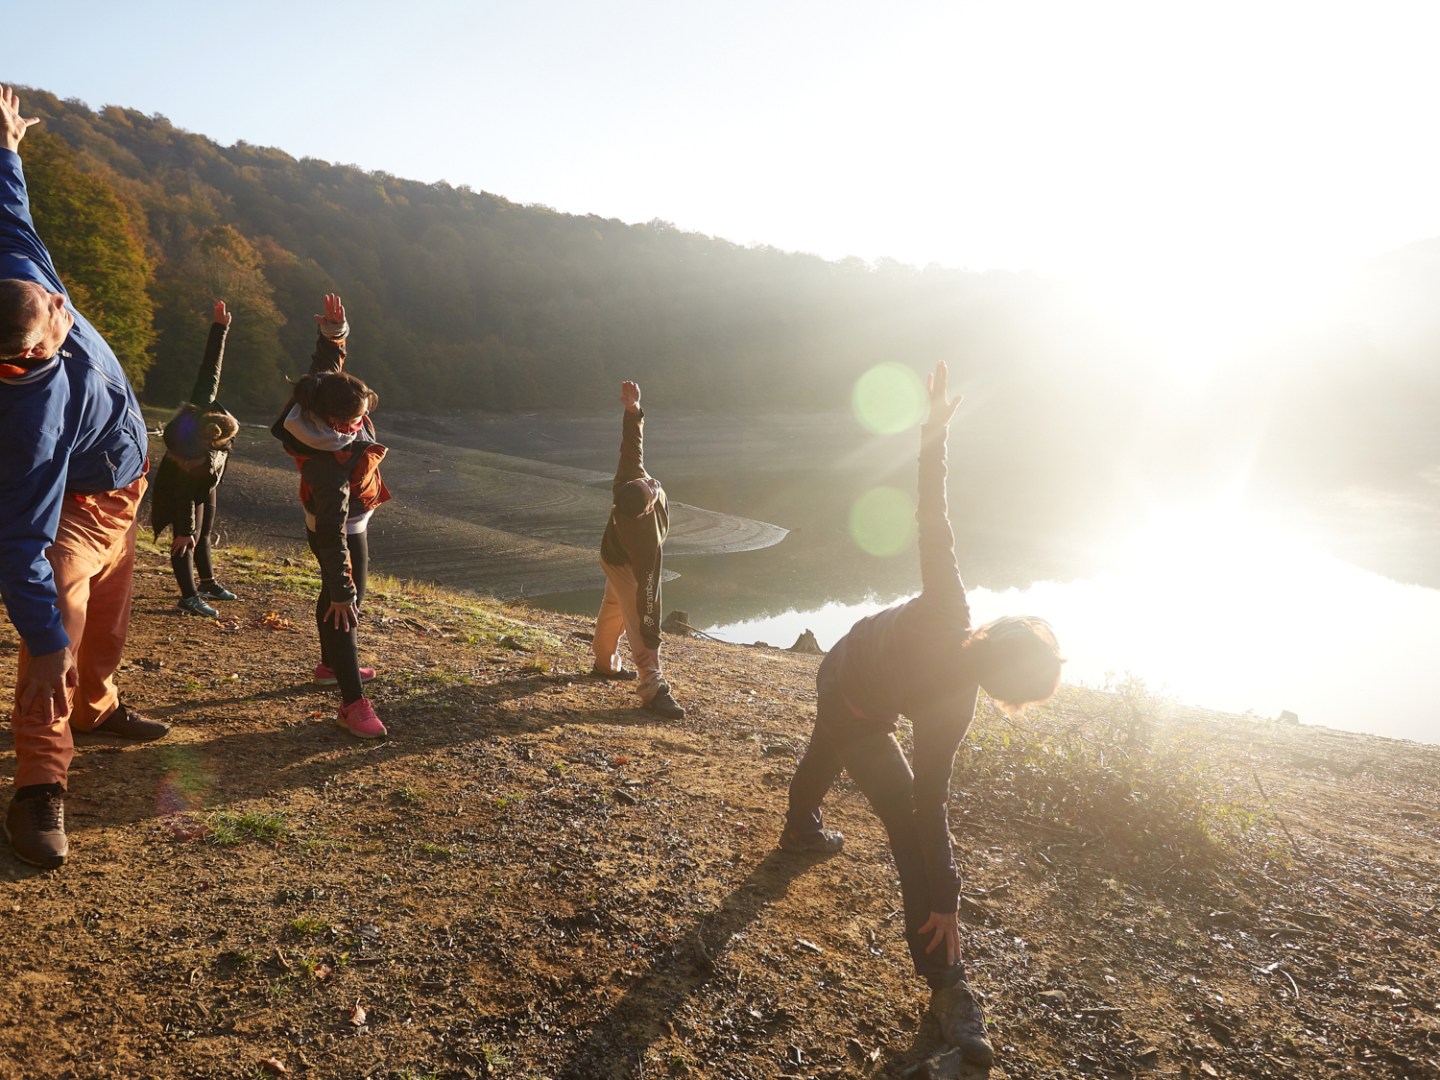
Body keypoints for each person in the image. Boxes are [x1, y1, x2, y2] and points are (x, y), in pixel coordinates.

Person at [778, 361, 1062, 1068]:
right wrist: (932, 435)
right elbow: (932, 516)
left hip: (861, 693)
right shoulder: (950, 648)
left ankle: (803, 829)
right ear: (1004, 685)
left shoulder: (953, 666)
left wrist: (948, 899)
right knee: (842, 756)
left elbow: (932, 804)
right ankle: (947, 986)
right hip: (845, 680)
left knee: (853, 774)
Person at [0, 84, 169, 870]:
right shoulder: (28, 418)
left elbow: (13, 219)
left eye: (54, 300)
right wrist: (38, 636)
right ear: (28, 354)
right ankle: (39, 783)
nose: (68, 313)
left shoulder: (21, 275)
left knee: (107, 625)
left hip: (124, 483)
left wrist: (7, 147)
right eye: (57, 321)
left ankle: (96, 711)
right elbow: (18, 544)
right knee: (60, 629)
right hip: (74, 501)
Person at [271, 293, 389, 739]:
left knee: (341, 596)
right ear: (332, 422)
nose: (360, 425)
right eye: (353, 422)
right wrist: (342, 591)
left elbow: (325, 364)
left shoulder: (320, 395)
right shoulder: (327, 466)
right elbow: (331, 534)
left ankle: (328, 666)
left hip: (347, 520)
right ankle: (352, 702)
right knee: (346, 606)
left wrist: (334, 332)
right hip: (335, 526)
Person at [591, 380, 685, 719]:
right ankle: (653, 688)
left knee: (613, 609)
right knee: (636, 623)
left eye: (646, 482)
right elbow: (650, 595)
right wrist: (652, 634)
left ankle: (604, 665)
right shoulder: (645, 542)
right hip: (625, 565)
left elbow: (632, 446)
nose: (652, 482)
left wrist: (633, 411)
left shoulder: (628, 478)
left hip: (610, 555)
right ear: (645, 511)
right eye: (649, 489)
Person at [151, 300, 242, 618]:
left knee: (204, 534)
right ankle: (188, 596)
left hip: (204, 484)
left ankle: (207, 582)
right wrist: (183, 529)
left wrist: (220, 328)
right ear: (211, 442)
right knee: (186, 539)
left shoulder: (203, 405)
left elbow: (210, 369)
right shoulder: (192, 459)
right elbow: (183, 497)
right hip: (179, 490)